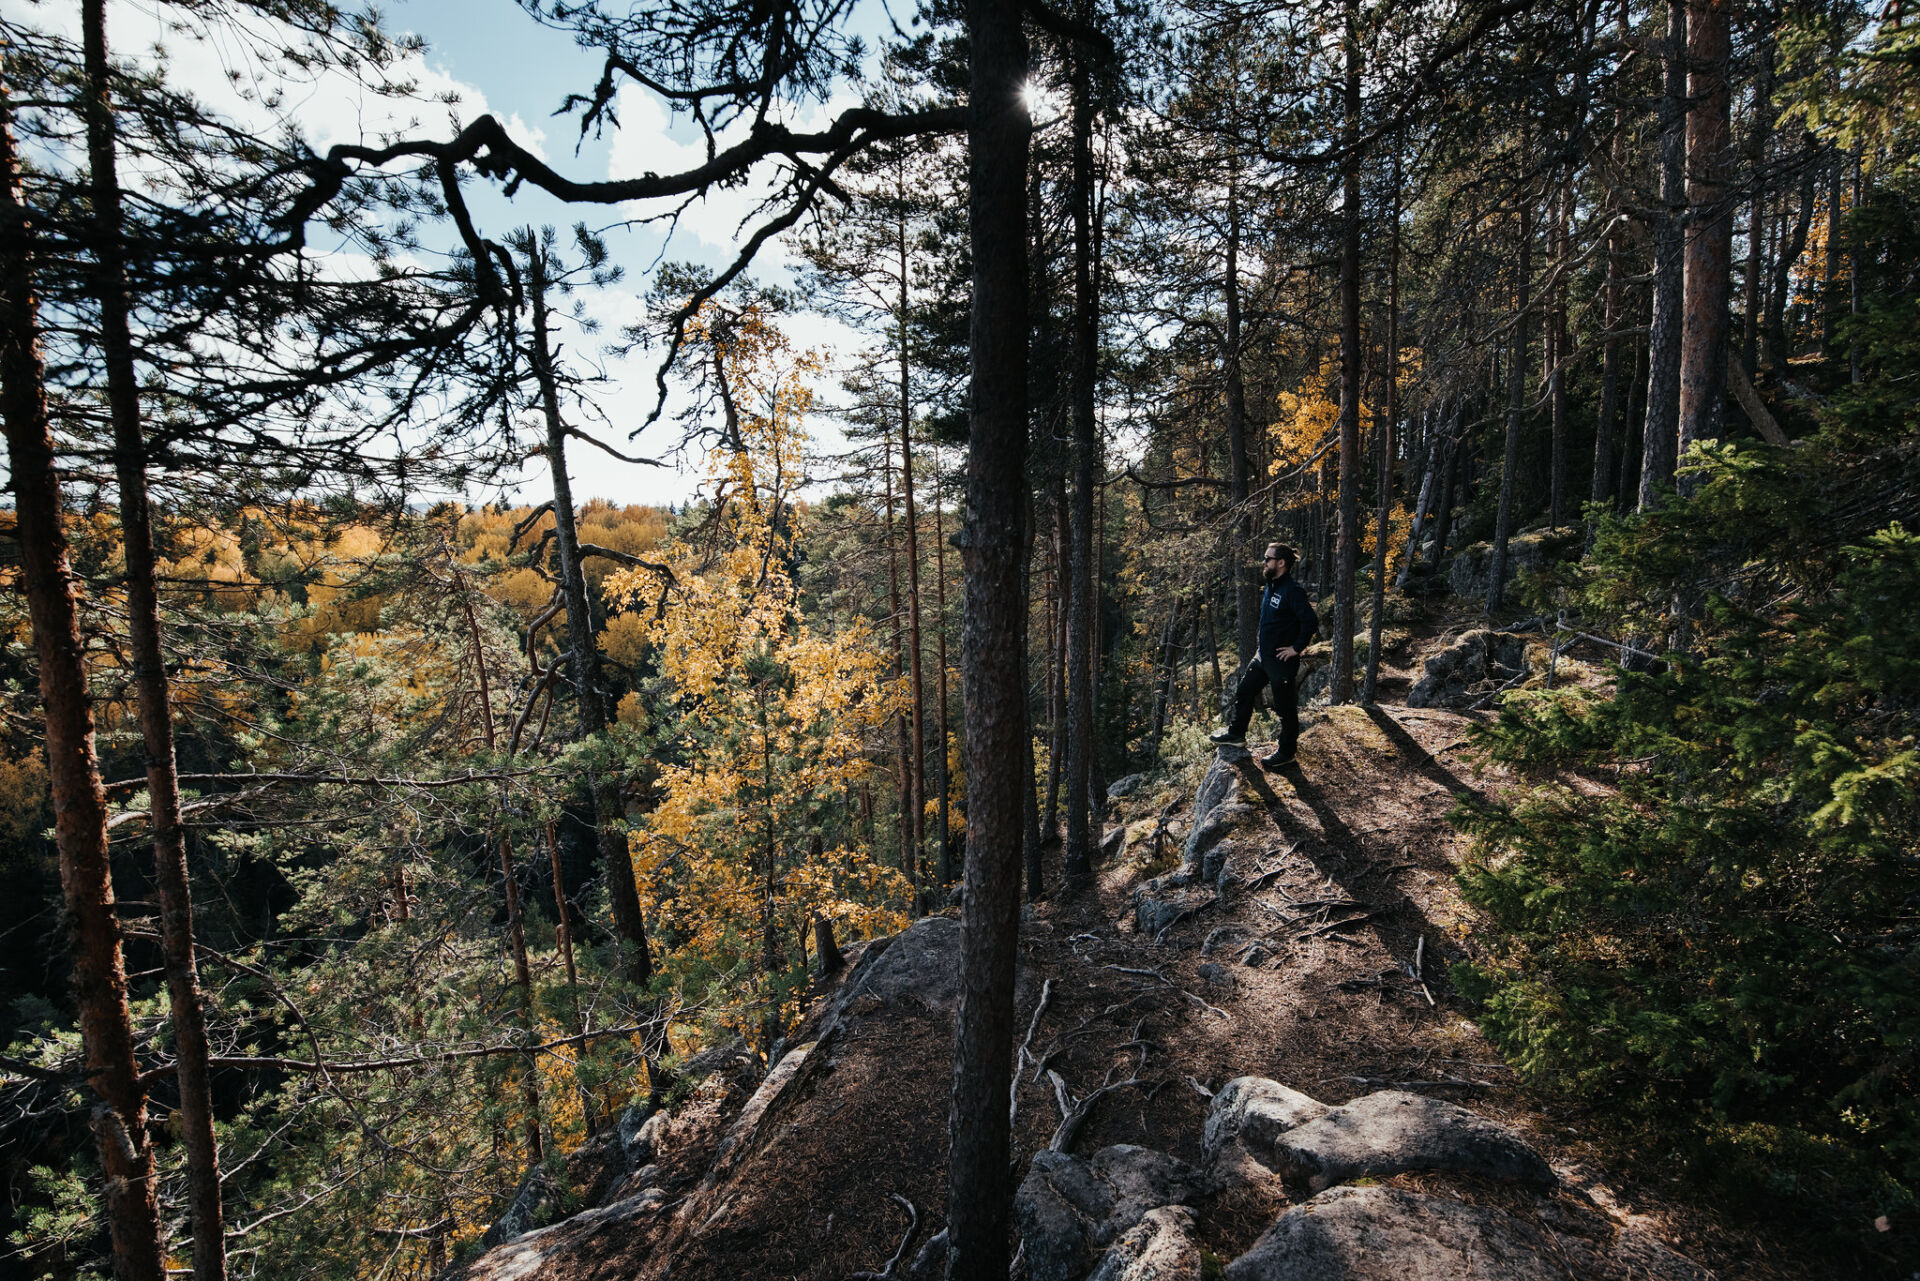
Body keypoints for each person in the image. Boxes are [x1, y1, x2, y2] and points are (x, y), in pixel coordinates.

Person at [1212, 542, 1318, 768]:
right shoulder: (1271, 585)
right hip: (1263, 656)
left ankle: (1286, 752)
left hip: (1281, 660)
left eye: (1267, 558)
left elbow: (1310, 621)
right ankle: (1237, 735)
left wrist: (1296, 648)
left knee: (1284, 707)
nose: (1264, 562)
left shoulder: (1292, 590)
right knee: (1244, 691)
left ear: (1281, 563)